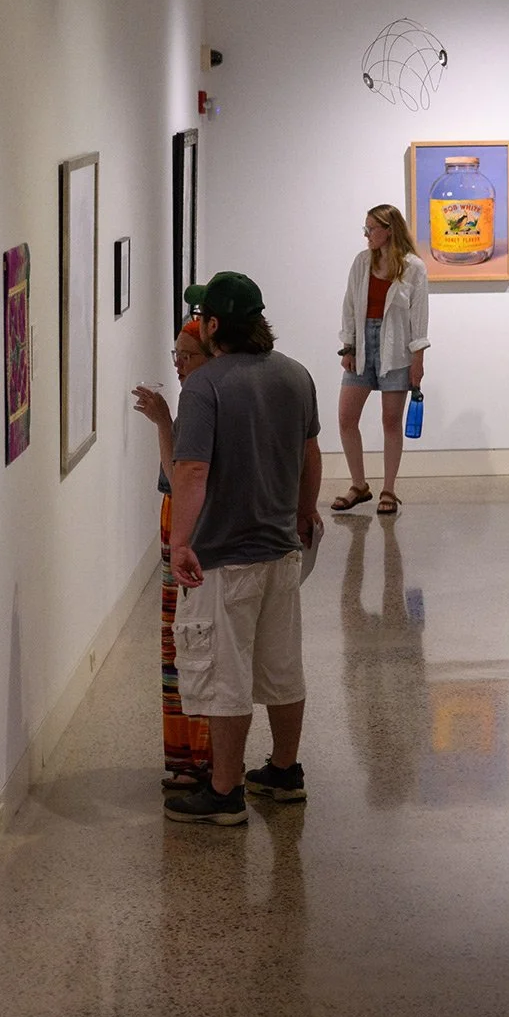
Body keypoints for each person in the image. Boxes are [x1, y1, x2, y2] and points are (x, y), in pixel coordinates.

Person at [164, 271, 324, 824]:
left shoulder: (205, 388)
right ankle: (284, 771)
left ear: (211, 326)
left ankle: (225, 790)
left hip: (224, 558)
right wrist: (304, 514)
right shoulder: (295, 375)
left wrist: (181, 542)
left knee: (224, 675)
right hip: (282, 553)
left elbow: (191, 470)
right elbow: (310, 455)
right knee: (282, 667)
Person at [132, 320, 214, 793]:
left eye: (187, 355)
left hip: (190, 533)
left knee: (193, 643)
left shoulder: (204, 400)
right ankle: (191, 755)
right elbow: (175, 473)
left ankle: (200, 758)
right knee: (181, 645)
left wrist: (164, 420)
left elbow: (183, 474)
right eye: (175, 355)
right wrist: (164, 420)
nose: (178, 364)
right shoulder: (196, 398)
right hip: (179, 527)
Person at [334, 204, 429, 516]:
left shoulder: (413, 267)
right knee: (347, 417)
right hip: (362, 346)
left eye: (371, 229)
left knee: (391, 421)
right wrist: (348, 347)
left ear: (389, 230)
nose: (367, 235)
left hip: (397, 349)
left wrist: (418, 360)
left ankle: (389, 489)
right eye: (366, 229)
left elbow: (419, 317)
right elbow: (349, 306)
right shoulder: (362, 263)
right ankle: (358, 484)